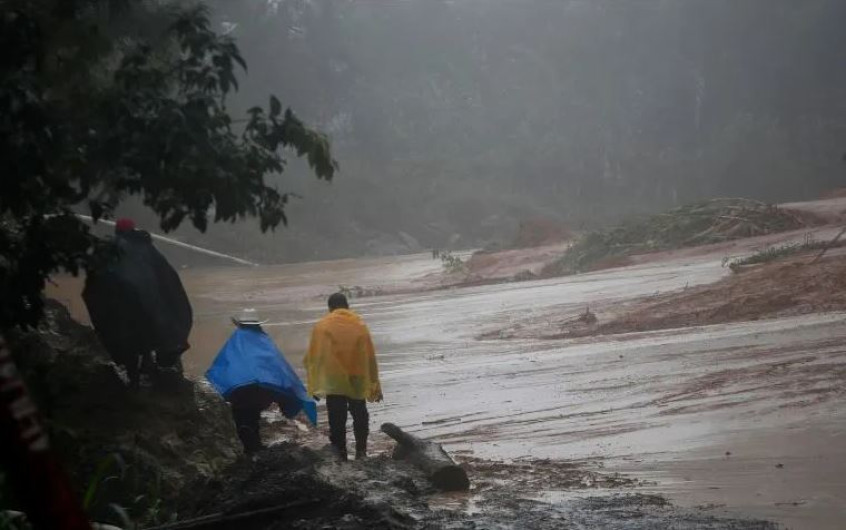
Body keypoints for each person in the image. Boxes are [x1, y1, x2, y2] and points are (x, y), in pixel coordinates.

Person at [83, 217, 192, 387]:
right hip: (146, 304)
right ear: (132, 230)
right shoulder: (145, 248)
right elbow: (167, 277)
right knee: (147, 336)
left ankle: (134, 379)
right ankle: (146, 369)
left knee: (129, 341)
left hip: (121, 307)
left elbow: (95, 279)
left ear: (117, 231)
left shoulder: (107, 248)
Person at [207, 308, 317, 454]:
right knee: (253, 414)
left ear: (240, 324)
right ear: (257, 324)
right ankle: (255, 443)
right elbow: (279, 366)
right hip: (262, 390)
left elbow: (224, 364)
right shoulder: (263, 339)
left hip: (240, 389)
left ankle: (249, 445)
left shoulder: (235, 339)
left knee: (241, 415)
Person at [305, 293, 382, 461]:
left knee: (336, 417)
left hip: (334, 379)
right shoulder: (359, 324)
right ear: (347, 307)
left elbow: (314, 357)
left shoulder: (322, 326)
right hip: (357, 376)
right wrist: (374, 384)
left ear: (330, 308)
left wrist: (315, 384)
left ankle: (341, 454)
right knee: (360, 412)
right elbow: (369, 356)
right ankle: (361, 451)